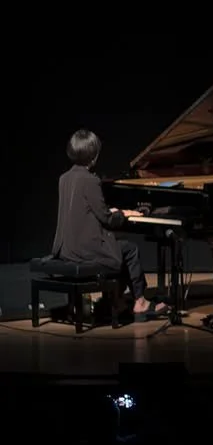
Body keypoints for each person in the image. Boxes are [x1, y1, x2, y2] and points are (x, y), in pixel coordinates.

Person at [52, 129, 167, 318]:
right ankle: (139, 301)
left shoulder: (64, 178)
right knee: (130, 249)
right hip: (84, 251)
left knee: (117, 246)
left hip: (65, 248)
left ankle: (115, 299)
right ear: (94, 156)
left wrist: (109, 211)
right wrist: (123, 213)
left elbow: (84, 211)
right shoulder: (90, 180)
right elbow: (107, 219)